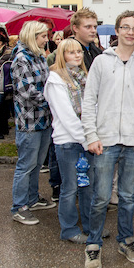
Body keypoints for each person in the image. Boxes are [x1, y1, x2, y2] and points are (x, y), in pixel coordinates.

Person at [82, 10, 134, 268]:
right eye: (125, 27)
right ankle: (93, 244)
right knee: (101, 197)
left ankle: (126, 240)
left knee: (127, 197)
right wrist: (91, 135)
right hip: (104, 141)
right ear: (116, 30)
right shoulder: (102, 63)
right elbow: (89, 101)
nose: (130, 32)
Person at [44, 38, 94, 244]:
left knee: (88, 186)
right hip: (68, 142)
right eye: (71, 52)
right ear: (62, 55)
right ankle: (69, 229)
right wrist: (86, 139)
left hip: (87, 140)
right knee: (70, 187)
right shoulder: (56, 79)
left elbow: (92, 107)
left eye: (79, 52)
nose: (77, 56)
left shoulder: (84, 77)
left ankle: (92, 227)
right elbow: (66, 115)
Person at [10, 21, 56, 225]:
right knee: (26, 165)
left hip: (43, 120)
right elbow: (27, 91)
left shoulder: (39, 57)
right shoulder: (21, 59)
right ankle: (19, 207)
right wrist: (54, 100)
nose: (47, 40)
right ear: (32, 36)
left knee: (37, 164)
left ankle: (32, 198)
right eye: (43, 36)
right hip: (29, 122)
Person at [0, 33, 13, 139]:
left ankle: (1, 129)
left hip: (3, 83)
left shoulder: (7, 53)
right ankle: (0, 129)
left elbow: (1, 67)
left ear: (0, 43)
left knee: (0, 106)